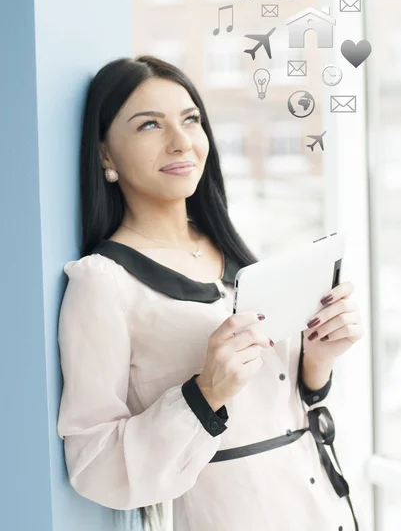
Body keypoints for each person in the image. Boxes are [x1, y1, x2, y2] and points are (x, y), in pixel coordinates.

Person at [57, 55, 365, 531]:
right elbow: (92, 463)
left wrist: (318, 361)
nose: (181, 142)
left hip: (320, 507)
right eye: (149, 126)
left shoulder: (236, 256)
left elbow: (282, 407)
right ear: (105, 156)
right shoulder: (103, 282)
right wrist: (205, 394)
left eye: (191, 120)